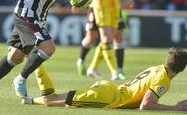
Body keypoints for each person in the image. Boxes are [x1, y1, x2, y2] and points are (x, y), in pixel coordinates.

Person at [22, 48, 187, 111]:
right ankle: (34, 60)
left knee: (53, 99)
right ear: (182, 69)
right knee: (51, 100)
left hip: (109, 89)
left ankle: (29, 100)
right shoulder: (163, 80)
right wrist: (175, 108)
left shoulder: (157, 68)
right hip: (108, 98)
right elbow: (146, 105)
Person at [76, 7, 128, 80]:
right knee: (91, 37)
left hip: (114, 6)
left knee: (117, 36)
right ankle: (81, 61)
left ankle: (118, 70)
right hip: (97, 7)